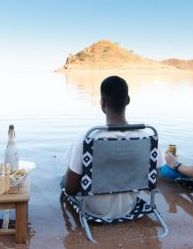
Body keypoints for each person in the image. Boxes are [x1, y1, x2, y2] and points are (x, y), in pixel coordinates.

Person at [62, 75, 151, 220]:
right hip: (128, 209)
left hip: (92, 211)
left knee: (64, 178)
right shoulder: (146, 137)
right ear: (128, 100)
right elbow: (151, 182)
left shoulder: (88, 137)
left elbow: (70, 189)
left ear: (102, 103)